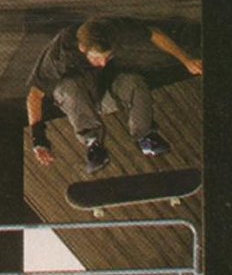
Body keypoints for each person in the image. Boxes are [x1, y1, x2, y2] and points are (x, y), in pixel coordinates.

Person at [26, 16, 203, 172]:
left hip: (107, 91)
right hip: (81, 101)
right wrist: (38, 140)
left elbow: (154, 34)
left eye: (107, 57)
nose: (102, 63)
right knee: (67, 87)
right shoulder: (60, 53)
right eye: (96, 58)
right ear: (82, 48)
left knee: (133, 82)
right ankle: (93, 144)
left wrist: (186, 60)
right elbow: (34, 96)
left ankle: (145, 137)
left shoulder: (112, 27)